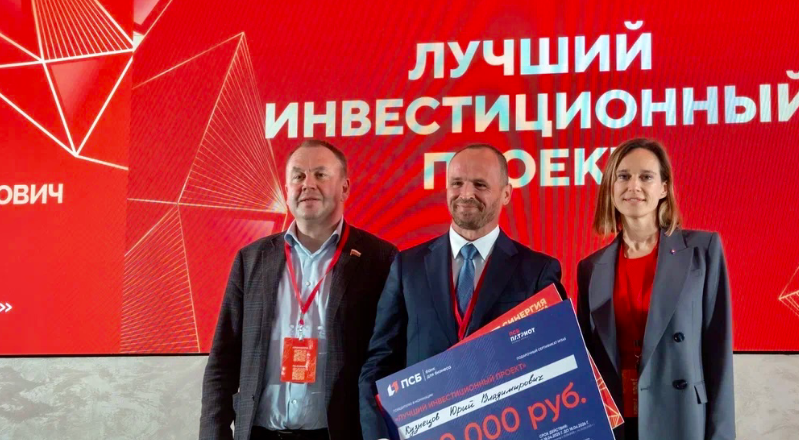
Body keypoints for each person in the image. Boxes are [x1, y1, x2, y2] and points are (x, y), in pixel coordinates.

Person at [358, 143, 565, 440]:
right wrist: (378, 435)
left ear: (506, 193)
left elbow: (555, 362)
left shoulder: (538, 271)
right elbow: (380, 360)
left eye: (480, 184)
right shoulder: (407, 267)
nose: (466, 194)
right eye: (457, 183)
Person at [200, 139, 398, 440]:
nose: (308, 184)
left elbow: (389, 358)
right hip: (260, 433)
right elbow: (222, 362)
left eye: (320, 174)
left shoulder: (379, 259)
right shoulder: (252, 259)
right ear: (287, 189)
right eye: (298, 176)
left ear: (344, 188)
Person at [576, 138, 735, 440]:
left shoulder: (703, 251)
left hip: (682, 418)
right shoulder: (590, 268)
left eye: (646, 177)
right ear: (610, 187)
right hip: (617, 422)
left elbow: (719, 354)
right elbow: (589, 363)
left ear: (664, 188)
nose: (633, 186)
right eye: (623, 176)